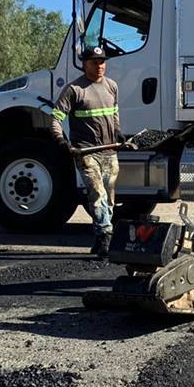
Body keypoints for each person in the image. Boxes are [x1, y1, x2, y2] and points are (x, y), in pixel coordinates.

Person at [50, 46, 125, 257]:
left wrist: (117, 131)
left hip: (109, 152)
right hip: (87, 153)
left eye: (102, 62)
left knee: (109, 197)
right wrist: (61, 140)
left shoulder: (112, 86)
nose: (100, 66)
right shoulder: (74, 90)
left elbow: (114, 112)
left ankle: (100, 236)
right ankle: (105, 235)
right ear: (85, 64)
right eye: (95, 62)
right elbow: (56, 118)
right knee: (98, 193)